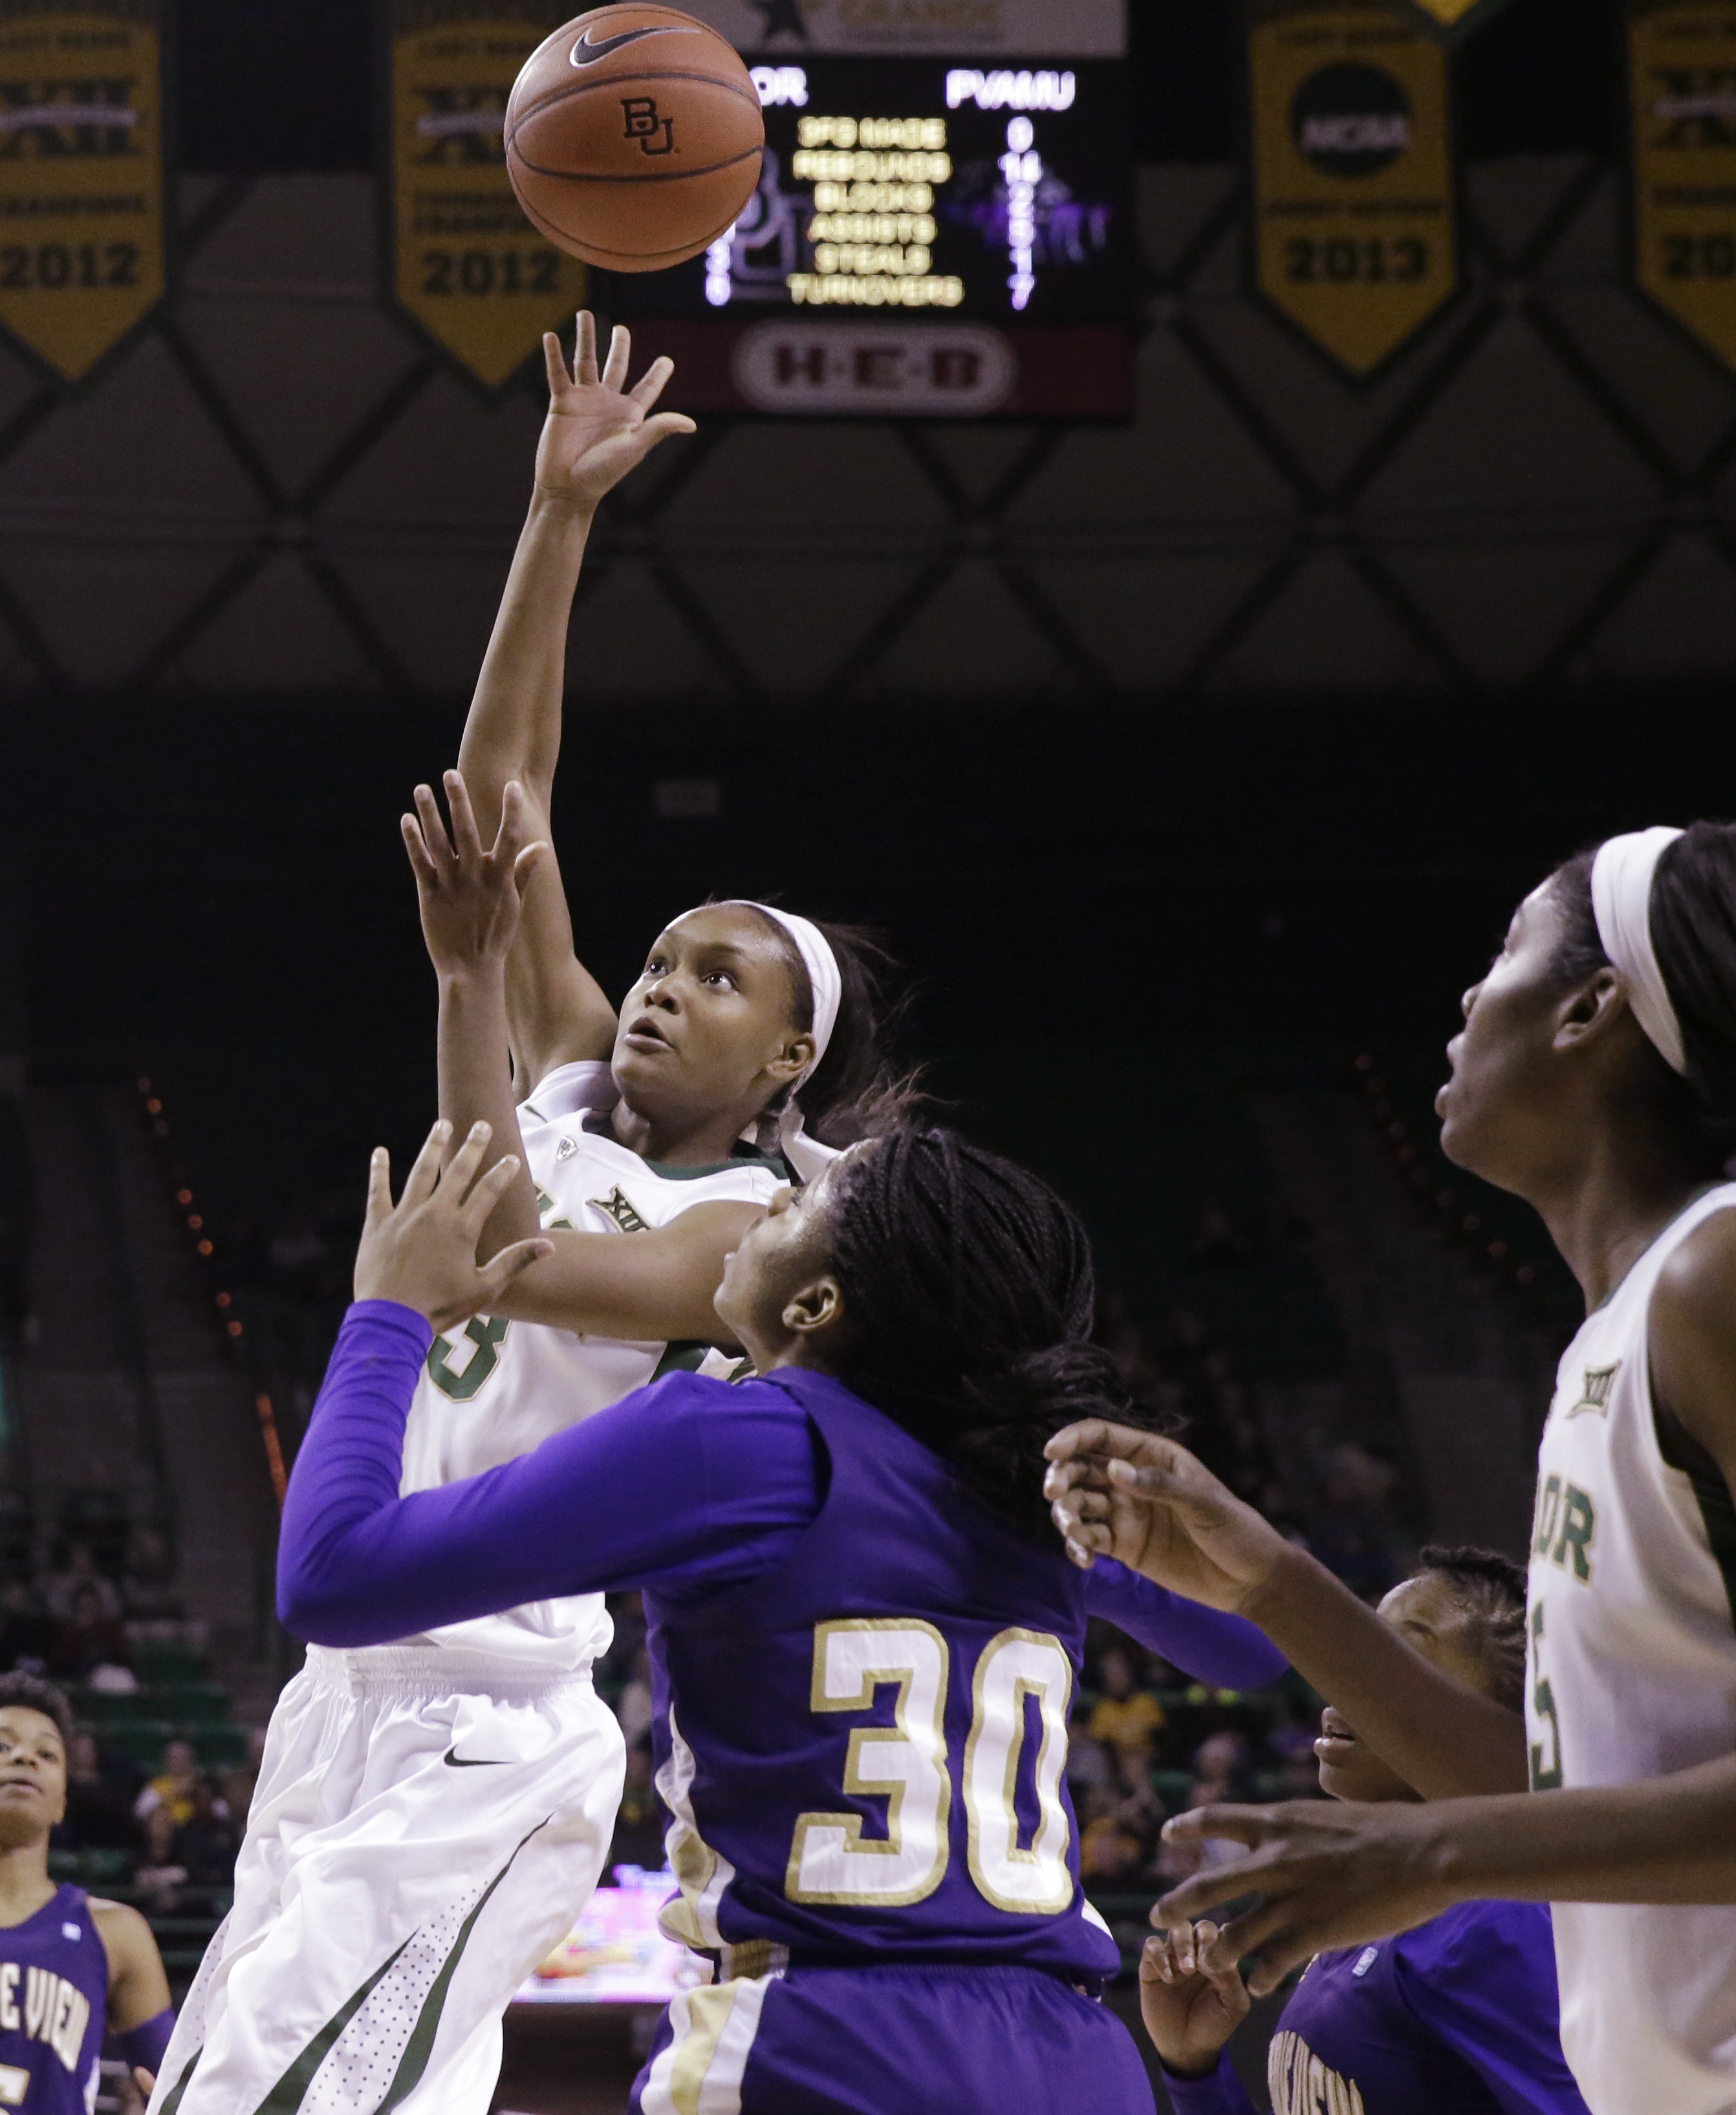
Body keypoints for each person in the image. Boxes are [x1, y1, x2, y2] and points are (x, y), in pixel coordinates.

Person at [152, 317, 924, 2115]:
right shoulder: (574, 1078)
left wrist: (466, 993)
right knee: (228, 2076)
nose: (656, 986)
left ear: (791, 1049)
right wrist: (556, 516)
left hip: (497, 1717)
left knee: (280, 2089)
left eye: (712, 977)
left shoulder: (763, 1231)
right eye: (653, 958)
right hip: (344, 1683)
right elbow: (502, 807)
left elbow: (493, 1245)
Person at [272, 1116, 1289, 2115]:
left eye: (796, 1200)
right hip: (1075, 2057)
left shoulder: (741, 1439)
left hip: (824, 2039)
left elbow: (330, 1577)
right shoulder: (1020, 1482)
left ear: (815, 1303)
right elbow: (1252, 1645)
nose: (765, 1198)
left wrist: (389, 1314)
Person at [1047, 823, 1736, 2115]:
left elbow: (1488, 1825)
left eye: (1510, 950)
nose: (1472, 994)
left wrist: (1430, 1846)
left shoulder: (1716, 1275)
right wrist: (1268, 1580)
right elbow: (1556, 1813)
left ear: (1595, 1008)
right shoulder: (1621, 1329)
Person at [1142, 1548, 1589, 2115]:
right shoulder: (1375, 1911)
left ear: (1493, 1719)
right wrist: (1193, 2069)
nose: (1349, 1677)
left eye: (1399, 1657)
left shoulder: (1490, 1918)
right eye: (1363, 1648)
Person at [0, 1672, 174, 2109]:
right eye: (0, 1746)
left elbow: (178, 2094)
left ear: (61, 1801)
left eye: (47, 1753)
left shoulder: (117, 1934)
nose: (24, 1758)